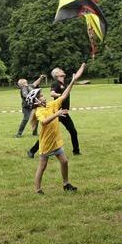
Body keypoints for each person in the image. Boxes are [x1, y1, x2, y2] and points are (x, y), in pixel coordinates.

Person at [31, 63, 85, 194]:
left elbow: (64, 96)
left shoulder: (51, 105)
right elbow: (44, 122)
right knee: (42, 167)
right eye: (41, 96)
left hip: (55, 142)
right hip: (46, 144)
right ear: (37, 101)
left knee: (65, 162)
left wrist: (72, 81)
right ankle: (38, 189)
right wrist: (57, 114)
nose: (44, 96)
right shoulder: (39, 111)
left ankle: (66, 184)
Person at [27, 66, 82, 158]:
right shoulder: (56, 83)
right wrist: (59, 95)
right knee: (48, 133)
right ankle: (32, 151)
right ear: (56, 74)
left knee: (73, 131)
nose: (62, 70)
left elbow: (67, 91)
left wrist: (73, 80)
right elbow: (52, 93)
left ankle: (76, 151)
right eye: (60, 70)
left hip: (62, 112)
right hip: (54, 112)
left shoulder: (64, 83)